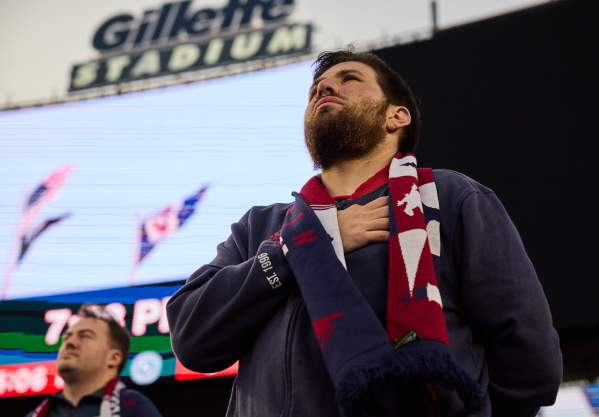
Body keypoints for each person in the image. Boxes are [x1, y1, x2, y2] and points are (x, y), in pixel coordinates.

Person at [167, 50, 562, 417]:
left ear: (397, 117)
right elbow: (191, 337)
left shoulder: (451, 197)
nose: (323, 87)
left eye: (349, 78)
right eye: (315, 89)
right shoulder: (262, 227)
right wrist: (301, 248)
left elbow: (530, 360)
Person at [27, 304, 163, 417]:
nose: (70, 343)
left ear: (113, 358)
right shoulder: (39, 413)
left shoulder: (133, 407)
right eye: (67, 337)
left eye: (85, 336)